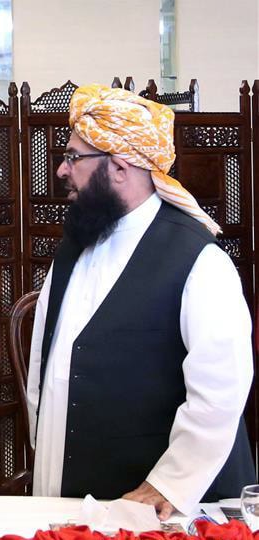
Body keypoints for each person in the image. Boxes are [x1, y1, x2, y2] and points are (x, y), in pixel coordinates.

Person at [26, 84, 254, 518]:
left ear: (119, 166)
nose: (60, 170)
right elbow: (47, 362)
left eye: (74, 157)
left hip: (167, 509)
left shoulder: (198, 259)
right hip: (73, 501)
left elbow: (221, 393)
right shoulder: (75, 243)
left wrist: (168, 484)